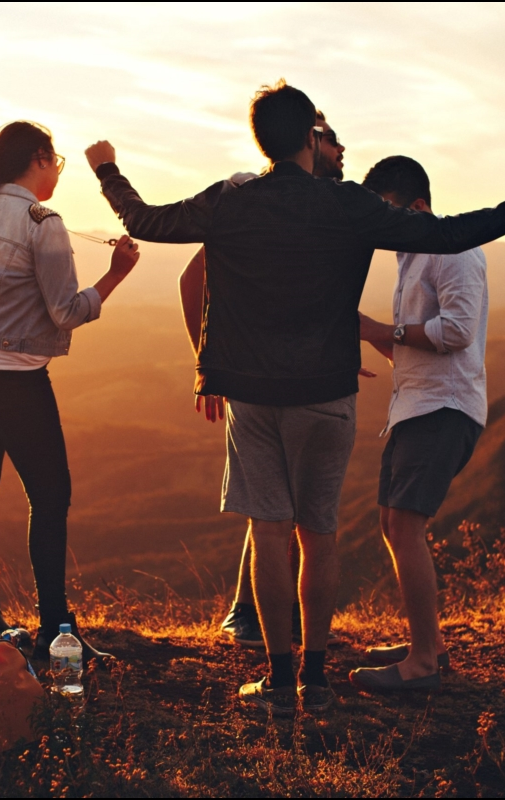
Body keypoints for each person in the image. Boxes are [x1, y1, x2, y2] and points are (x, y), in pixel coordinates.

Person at [85, 80, 505, 716]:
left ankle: (280, 682)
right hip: (327, 392)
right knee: (320, 536)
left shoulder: (231, 201)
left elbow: (147, 220)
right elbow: (451, 233)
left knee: (270, 535)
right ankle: (316, 681)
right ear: (311, 140)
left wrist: (107, 171)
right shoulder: (345, 205)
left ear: (263, 139)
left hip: (254, 394)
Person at [0, 121, 140, 663]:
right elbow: (66, 311)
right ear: (38, 159)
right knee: (51, 495)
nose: (57, 175)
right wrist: (117, 273)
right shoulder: (42, 221)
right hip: (13, 371)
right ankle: (57, 631)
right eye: (56, 164)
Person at [180, 111, 348, 650]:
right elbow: (192, 278)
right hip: (261, 380)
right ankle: (252, 618)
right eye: (331, 138)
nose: (343, 149)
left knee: (280, 511)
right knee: (276, 513)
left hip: (298, 376)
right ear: (307, 141)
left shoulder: (319, 208)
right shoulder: (252, 198)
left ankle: (268, 628)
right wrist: (209, 365)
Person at [349, 155, 495, 691]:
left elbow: (456, 331)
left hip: (445, 408)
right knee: (393, 524)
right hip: (416, 405)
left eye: (385, 212)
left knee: (406, 525)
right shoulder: (411, 256)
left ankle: (422, 665)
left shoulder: (452, 250)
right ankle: (425, 643)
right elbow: (417, 342)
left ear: (415, 206)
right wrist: (370, 336)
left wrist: (381, 327)